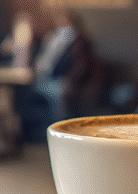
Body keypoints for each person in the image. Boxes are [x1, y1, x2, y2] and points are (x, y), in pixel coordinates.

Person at [25, 9, 102, 139]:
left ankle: (61, 132)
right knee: (23, 91)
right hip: (45, 79)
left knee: (59, 94)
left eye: (65, 21)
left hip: (64, 82)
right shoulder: (53, 38)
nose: (61, 24)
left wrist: (70, 82)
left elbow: (82, 67)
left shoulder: (80, 42)